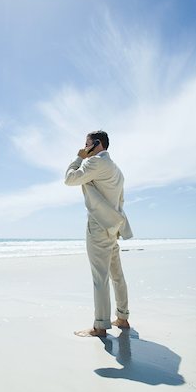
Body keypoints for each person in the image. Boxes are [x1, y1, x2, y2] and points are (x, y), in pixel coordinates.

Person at [64, 130, 133, 337]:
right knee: (117, 275)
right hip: (113, 227)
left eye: (86, 144)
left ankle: (100, 326)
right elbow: (120, 201)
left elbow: (69, 179)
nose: (85, 148)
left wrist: (79, 157)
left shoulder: (94, 163)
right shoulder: (117, 170)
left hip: (98, 226)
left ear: (96, 144)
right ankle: (122, 317)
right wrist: (117, 225)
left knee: (99, 277)